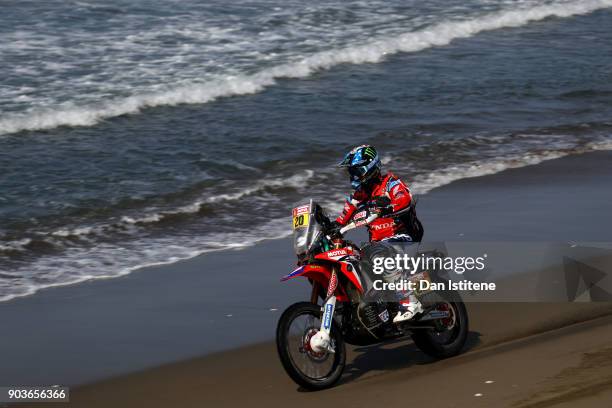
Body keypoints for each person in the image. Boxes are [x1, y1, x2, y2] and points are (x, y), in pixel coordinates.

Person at [332, 144, 424, 323]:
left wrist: (387, 206)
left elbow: (404, 199)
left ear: (368, 168)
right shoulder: (359, 195)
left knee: (377, 254)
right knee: (351, 256)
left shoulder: (391, 183)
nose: (353, 176)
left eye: (356, 171)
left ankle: (409, 301)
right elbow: (342, 218)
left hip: (403, 238)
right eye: (352, 172)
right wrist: (329, 228)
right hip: (379, 245)